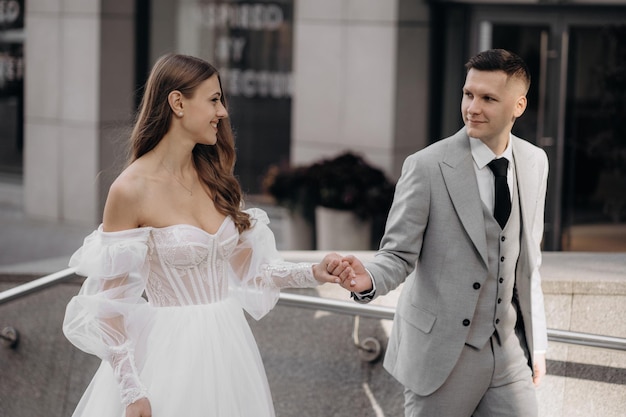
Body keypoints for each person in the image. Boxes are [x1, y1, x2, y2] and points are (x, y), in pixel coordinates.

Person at [62, 53, 346, 417]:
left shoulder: (216, 178)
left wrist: (313, 273)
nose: (223, 112)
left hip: (229, 346)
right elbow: (109, 305)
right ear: (177, 102)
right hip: (169, 357)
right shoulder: (131, 189)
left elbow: (250, 273)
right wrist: (132, 389)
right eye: (214, 99)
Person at [332, 49, 549, 416]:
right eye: (468, 94)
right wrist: (366, 278)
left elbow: (529, 263)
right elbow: (398, 255)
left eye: (488, 98)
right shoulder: (427, 166)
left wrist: (537, 344)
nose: (472, 108)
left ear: (519, 105)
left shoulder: (534, 161)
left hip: (509, 353)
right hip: (442, 356)